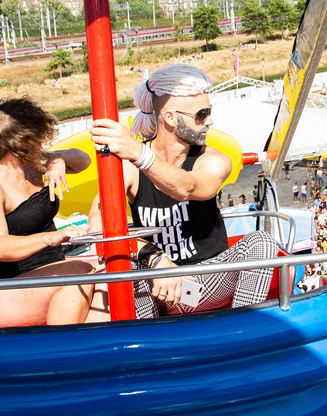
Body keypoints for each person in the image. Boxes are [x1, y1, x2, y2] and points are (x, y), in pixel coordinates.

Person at [89, 65, 278, 317]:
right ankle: (149, 342)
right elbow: (96, 224)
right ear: (170, 117)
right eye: (201, 114)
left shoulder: (212, 160)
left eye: (208, 112)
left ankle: (243, 328)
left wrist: (137, 152)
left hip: (208, 279)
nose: (209, 121)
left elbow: (188, 187)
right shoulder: (128, 168)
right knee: (127, 264)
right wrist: (154, 258)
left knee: (261, 241)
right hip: (157, 282)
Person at [0, 97, 100, 327]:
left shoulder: (35, 164)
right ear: (24, 140)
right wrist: (50, 238)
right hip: (7, 291)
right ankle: (59, 353)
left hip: (52, 275)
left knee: (110, 277)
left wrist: (58, 159)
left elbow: (84, 161)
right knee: (82, 271)